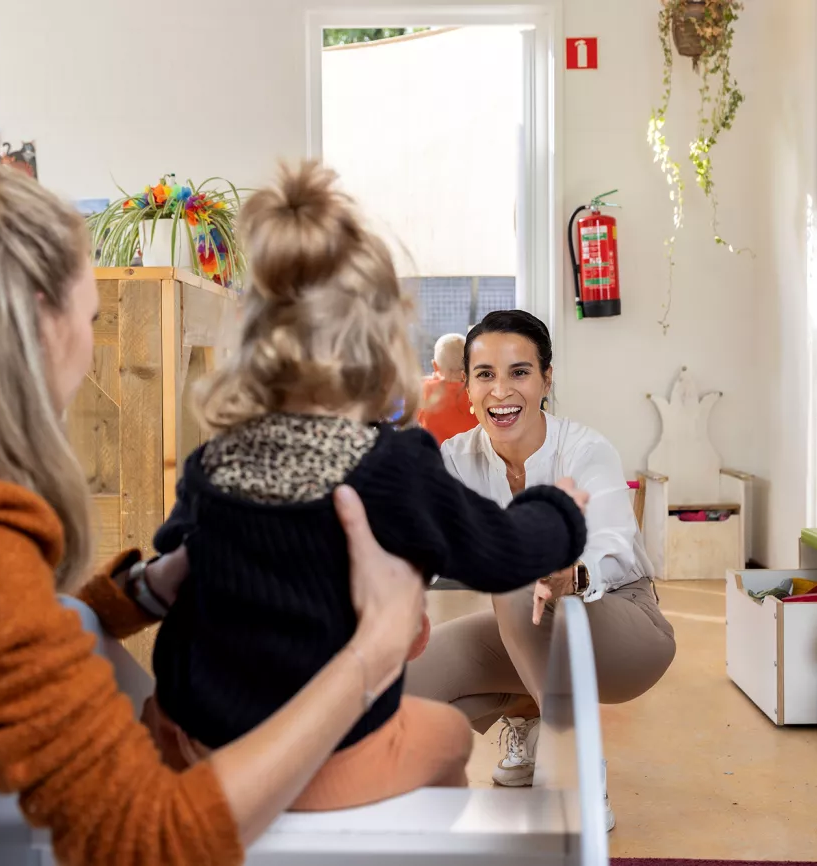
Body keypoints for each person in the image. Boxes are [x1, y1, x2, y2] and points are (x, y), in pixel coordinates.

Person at [0, 135, 430, 866]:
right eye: (90, 315)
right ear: (41, 322)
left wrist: (138, 592)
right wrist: (374, 649)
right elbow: (151, 841)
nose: (89, 338)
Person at [146, 163, 589, 812]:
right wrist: (561, 513)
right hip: (324, 761)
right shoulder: (389, 466)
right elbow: (500, 553)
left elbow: (174, 553)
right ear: (381, 343)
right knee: (442, 737)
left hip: (202, 743)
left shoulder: (213, 461)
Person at [405, 310, 677, 833]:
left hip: (623, 627)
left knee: (516, 565)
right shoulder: (455, 458)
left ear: (546, 380)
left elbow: (613, 543)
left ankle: (578, 767)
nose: (501, 390)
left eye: (519, 372)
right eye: (485, 374)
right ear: (467, 386)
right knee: (403, 685)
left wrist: (568, 573)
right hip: (524, 625)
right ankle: (530, 726)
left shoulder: (585, 448)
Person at [418, 332, 479, 444]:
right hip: (470, 457)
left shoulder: (426, 390)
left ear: (435, 366)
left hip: (436, 457)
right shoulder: (477, 392)